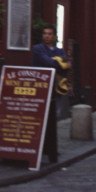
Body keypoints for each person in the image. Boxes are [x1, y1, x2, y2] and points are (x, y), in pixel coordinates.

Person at [31, 26, 70, 163]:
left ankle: (51, 148)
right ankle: (39, 147)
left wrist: (59, 63)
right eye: (45, 33)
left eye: (50, 34)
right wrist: (59, 62)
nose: (47, 36)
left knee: (54, 118)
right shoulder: (37, 49)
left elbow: (67, 65)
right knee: (40, 118)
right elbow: (48, 62)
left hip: (56, 88)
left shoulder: (60, 50)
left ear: (54, 36)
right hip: (41, 87)